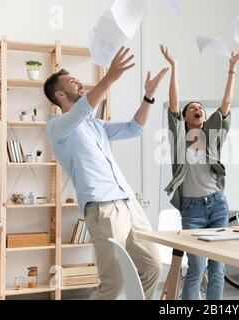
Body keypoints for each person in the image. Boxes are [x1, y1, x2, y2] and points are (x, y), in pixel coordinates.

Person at [44, 47, 169, 300]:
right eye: (72, 81)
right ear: (60, 94)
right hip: (102, 208)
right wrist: (110, 77)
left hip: (129, 202)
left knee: (153, 267)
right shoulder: (57, 126)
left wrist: (148, 97)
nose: (79, 82)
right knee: (114, 282)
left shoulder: (95, 124)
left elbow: (134, 129)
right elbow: (81, 111)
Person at [160, 44, 239, 300]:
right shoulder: (179, 138)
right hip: (192, 210)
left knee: (217, 267)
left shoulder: (212, 136)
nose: (197, 109)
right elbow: (174, 104)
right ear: (185, 117)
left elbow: (226, 104)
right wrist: (174, 66)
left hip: (218, 205)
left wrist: (232, 69)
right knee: (197, 266)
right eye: (192, 108)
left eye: (200, 107)